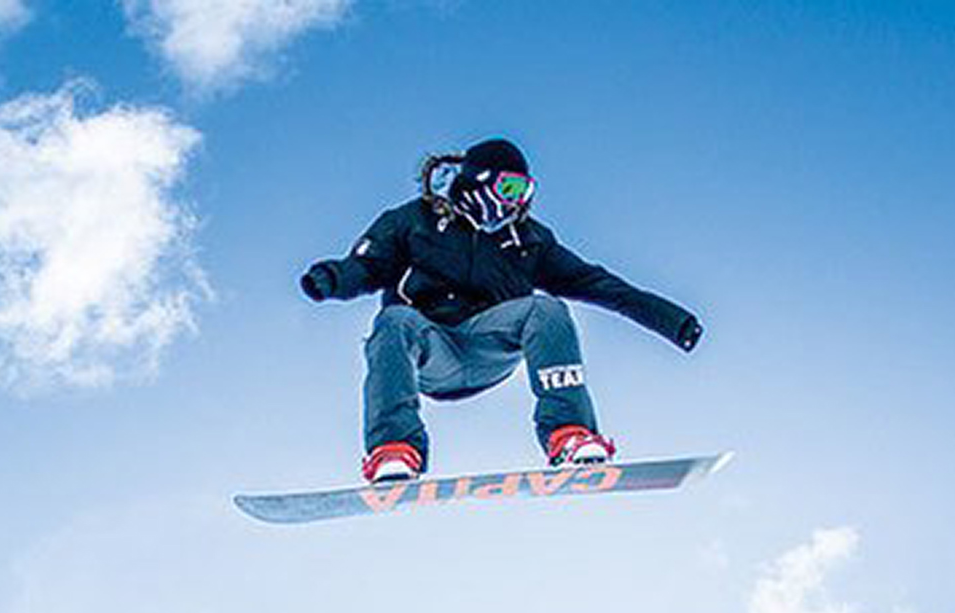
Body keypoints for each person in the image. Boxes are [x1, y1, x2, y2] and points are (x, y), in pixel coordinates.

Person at [299, 138, 702, 484]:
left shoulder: (528, 240)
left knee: (546, 311)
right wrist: (332, 278)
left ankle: (570, 434)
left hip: (488, 345)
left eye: (525, 192)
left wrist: (671, 320)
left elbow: (599, 284)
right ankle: (394, 449)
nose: (517, 202)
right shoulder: (411, 221)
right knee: (393, 321)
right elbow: (368, 267)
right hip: (429, 349)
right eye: (510, 188)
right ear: (477, 180)